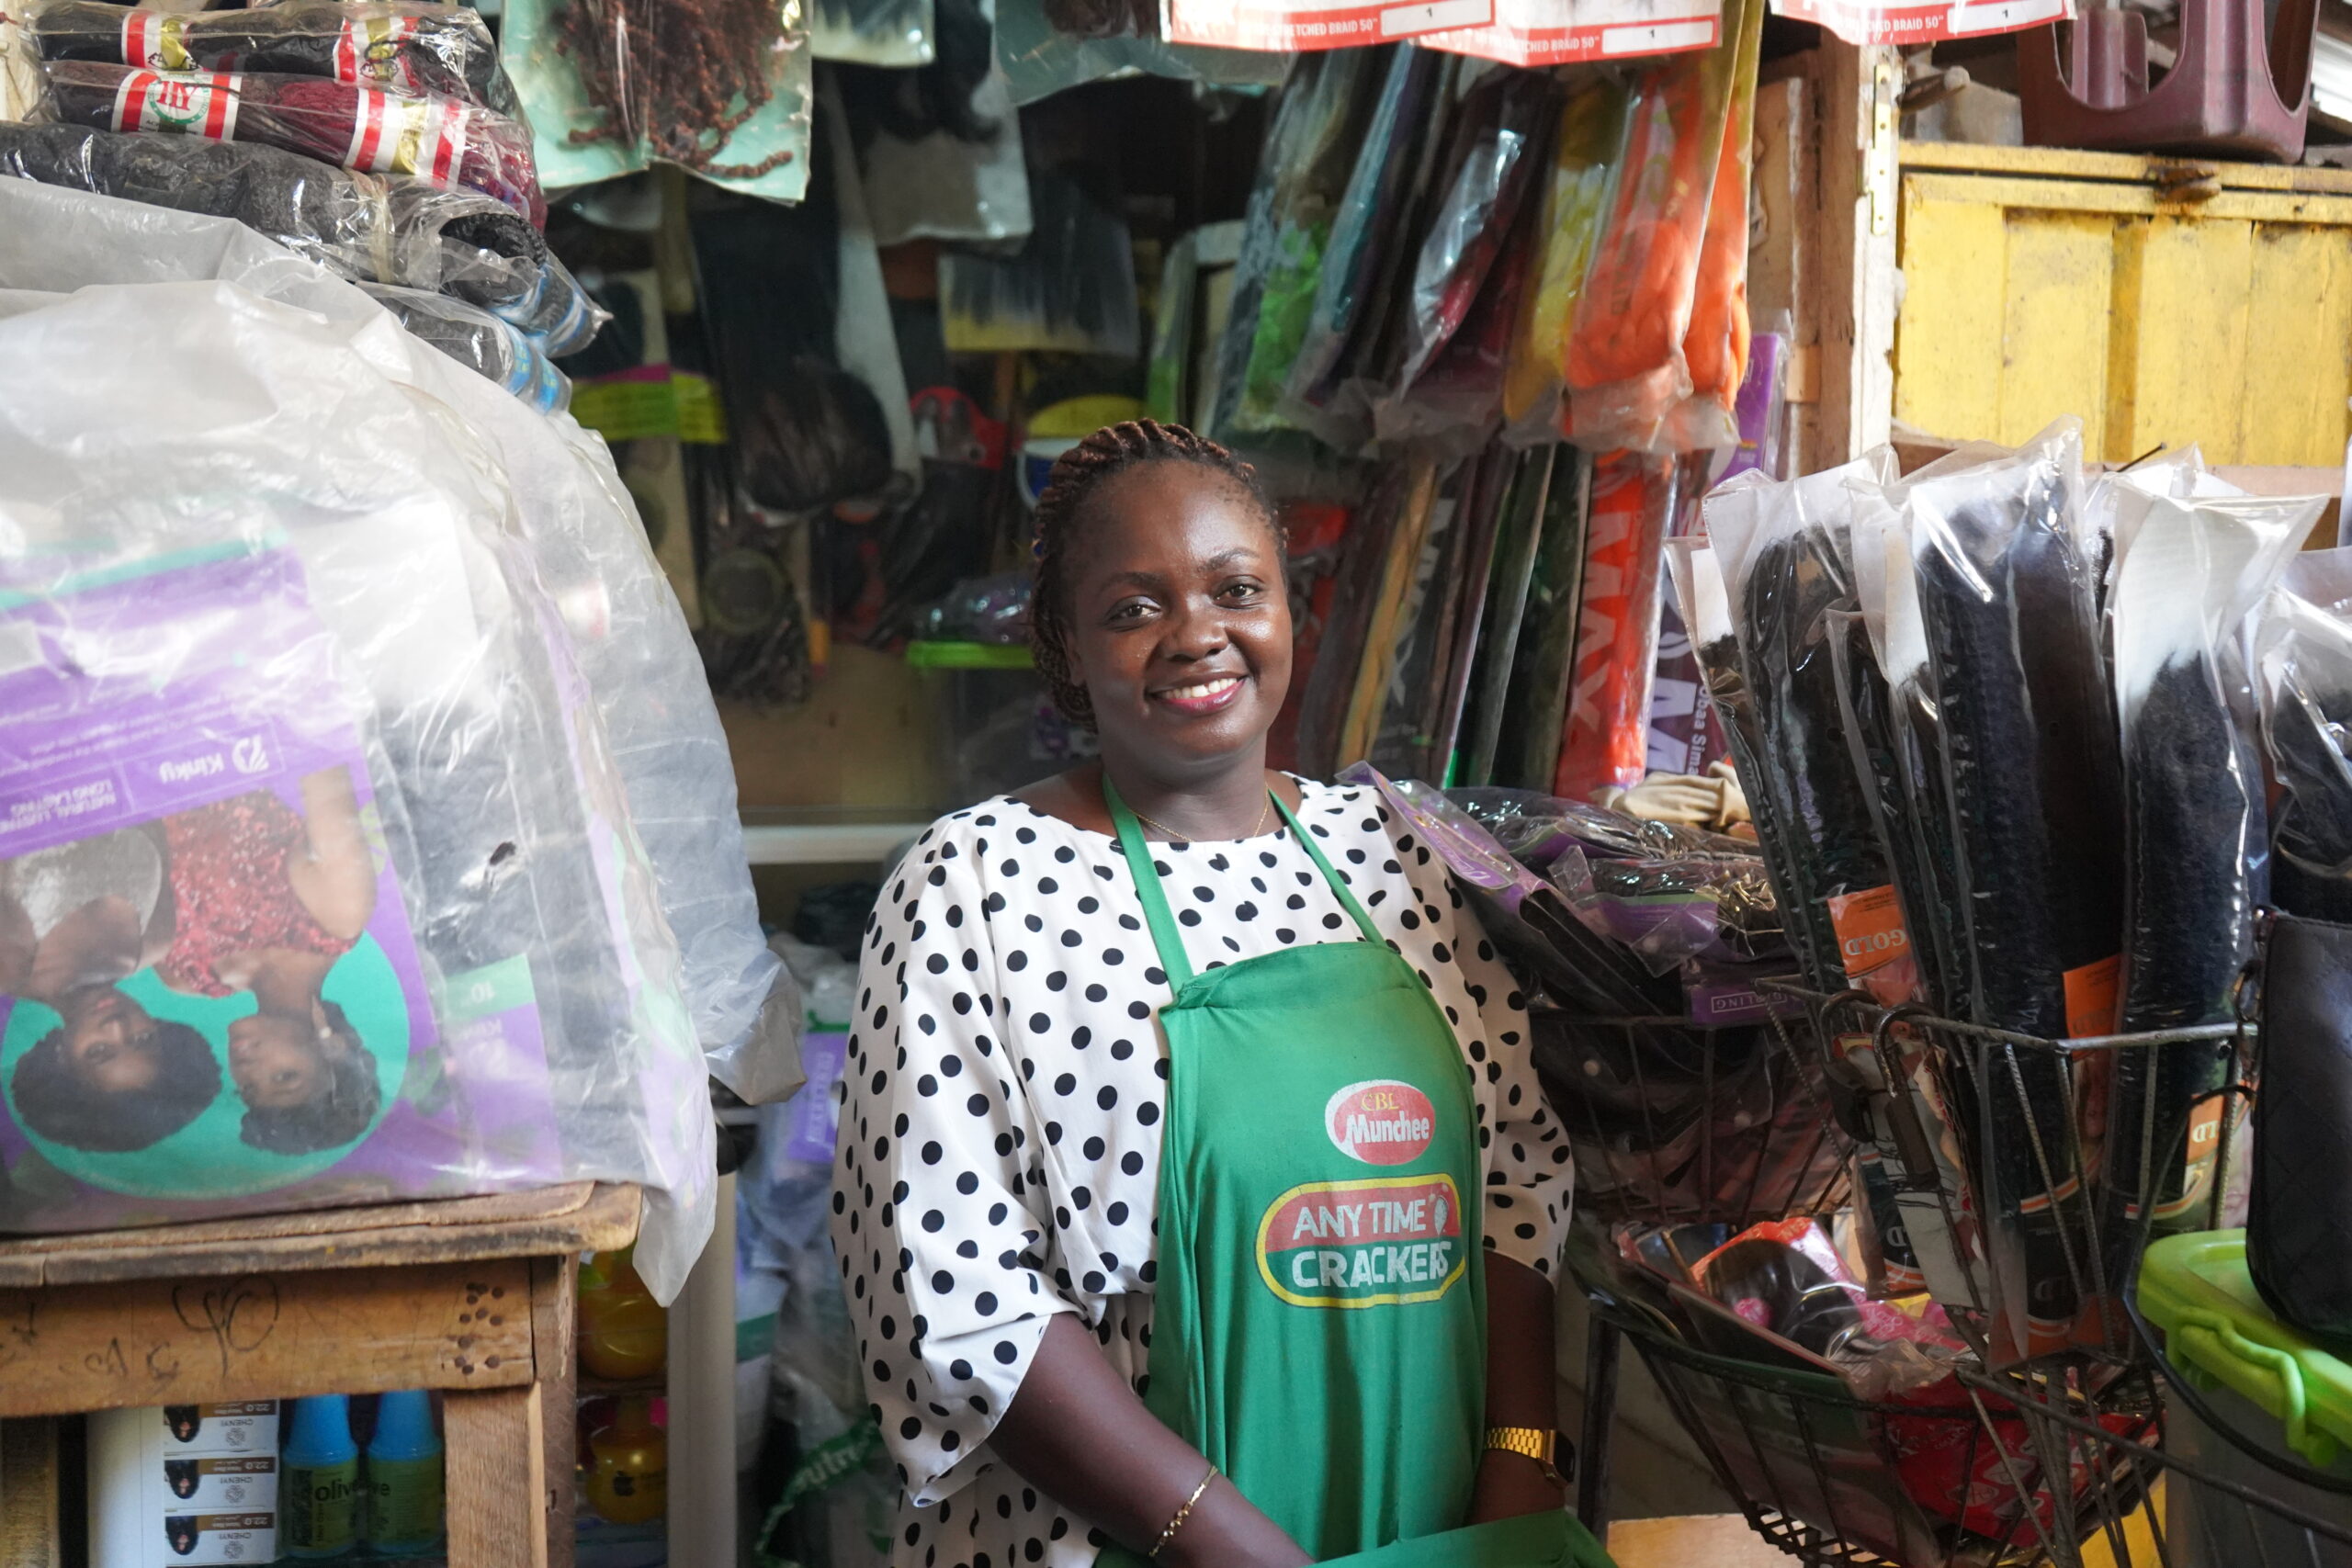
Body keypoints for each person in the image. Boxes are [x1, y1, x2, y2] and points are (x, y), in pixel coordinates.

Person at [831, 422, 1605, 1568]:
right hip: (1120, 1543)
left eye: (1235, 588)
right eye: (1135, 608)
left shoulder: (1404, 858)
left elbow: (1514, 1185)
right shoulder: (977, 886)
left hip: (1432, 1533)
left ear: (1289, 608)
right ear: (1066, 645)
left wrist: (1518, 1472)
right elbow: (954, 1290)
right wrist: (1232, 1550)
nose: (1198, 635)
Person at [155, 767, 382, 1153]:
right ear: (333, 1049)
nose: (249, 1071)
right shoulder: (339, 912)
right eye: (285, 1076)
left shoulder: (182, 974)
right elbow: (318, 763)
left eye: (248, 1087)